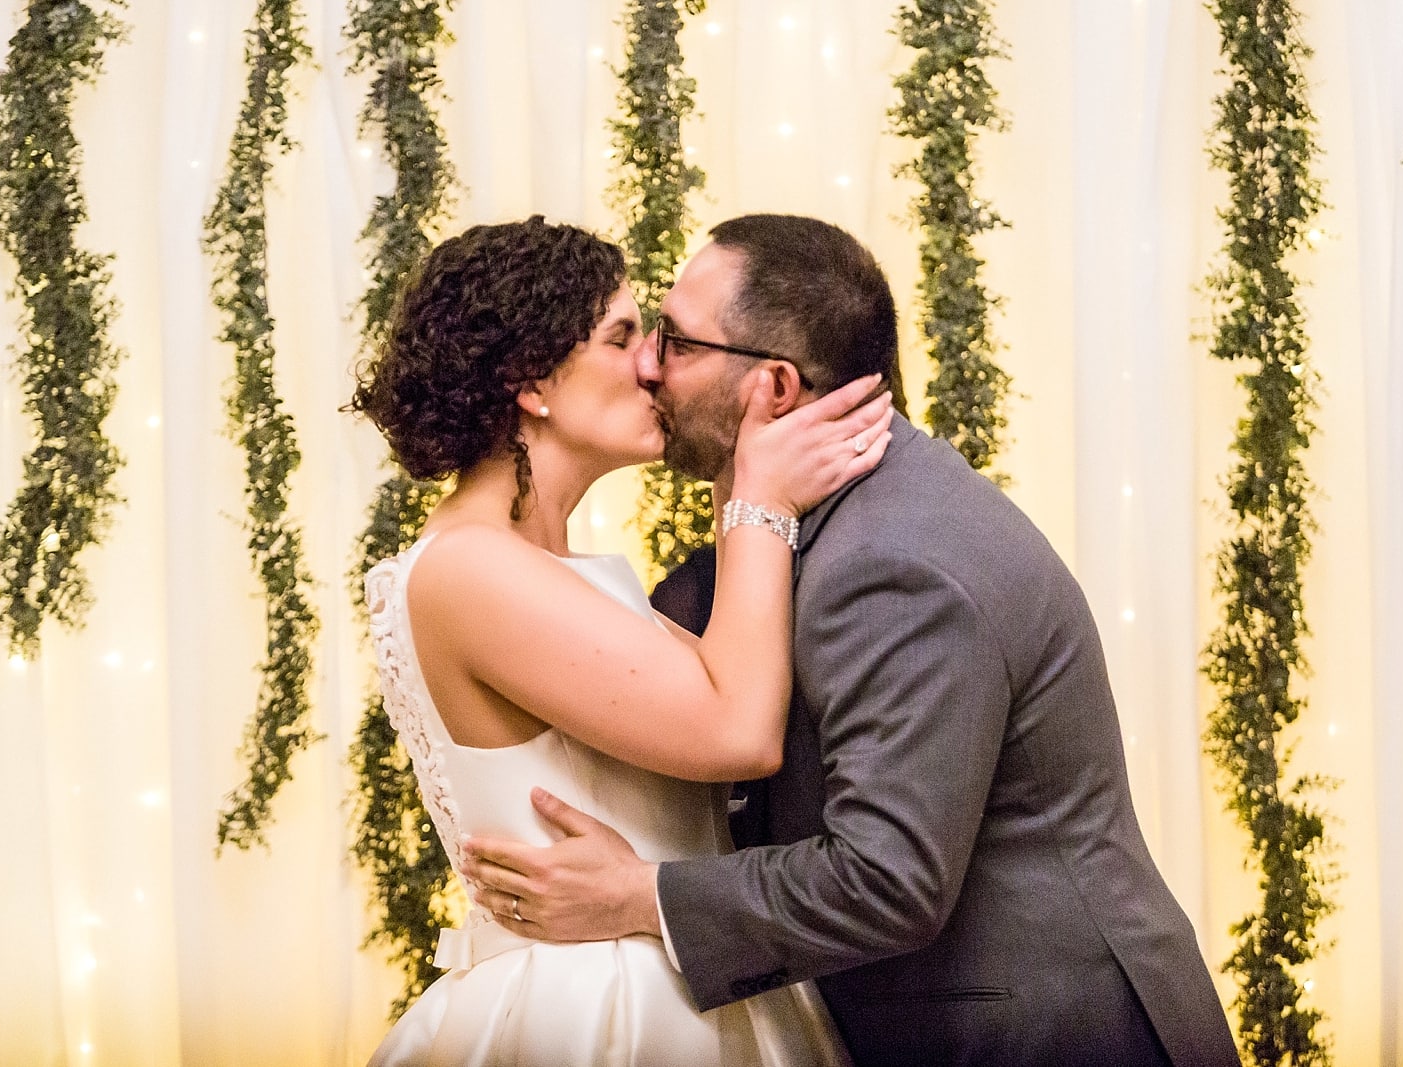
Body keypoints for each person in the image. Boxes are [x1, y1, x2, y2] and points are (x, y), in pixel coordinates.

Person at [462, 214, 1243, 1067]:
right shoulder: (770, 544)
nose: (647, 361)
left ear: (775, 389)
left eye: (677, 340)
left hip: (1037, 1036)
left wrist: (640, 895)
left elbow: (886, 879)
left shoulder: (891, 565)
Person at [348, 215, 893, 1066]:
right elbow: (737, 730)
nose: (652, 363)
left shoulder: (554, 568)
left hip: (689, 979)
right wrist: (760, 494)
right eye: (622, 334)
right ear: (533, 382)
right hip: (597, 1014)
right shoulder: (468, 569)